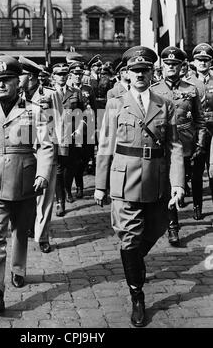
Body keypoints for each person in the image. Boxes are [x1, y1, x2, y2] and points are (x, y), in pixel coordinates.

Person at [94, 46, 185, 327]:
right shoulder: (115, 103)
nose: (141, 74)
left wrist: (178, 183)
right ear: (127, 74)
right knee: (130, 237)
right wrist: (100, 185)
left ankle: (132, 259)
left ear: (152, 72)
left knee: (157, 228)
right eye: (136, 70)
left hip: (156, 178)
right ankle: (137, 294)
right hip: (124, 178)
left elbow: (175, 146)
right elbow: (105, 146)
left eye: (146, 70)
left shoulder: (165, 103)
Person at [0, 55, 54, 313]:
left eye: (7, 80)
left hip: (25, 179)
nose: (1, 85)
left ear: (18, 81)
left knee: (19, 232)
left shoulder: (34, 110)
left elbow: (46, 145)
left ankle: (18, 269)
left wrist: (43, 174)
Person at [151, 46, 206, 239]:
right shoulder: (154, 90)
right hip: (165, 145)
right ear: (162, 66)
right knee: (169, 184)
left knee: (185, 181)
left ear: (181, 66)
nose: (171, 68)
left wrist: (200, 144)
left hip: (187, 144)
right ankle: (173, 226)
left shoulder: (190, 89)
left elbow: (199, 119)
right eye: (167, 64)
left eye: (175, 64)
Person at [18, 55, 63, 253]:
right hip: (22, 151)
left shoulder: (50, 94)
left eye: (22, 75)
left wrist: (60, 150)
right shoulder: (17, 96)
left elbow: (60, 121)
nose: (18, 78)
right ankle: (28, 226)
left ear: (33, 77)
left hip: (44, 150)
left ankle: (42, 235)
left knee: (44, 196)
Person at [52, 63, 84, 216]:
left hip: (71, 136)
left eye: (64, 74)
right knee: (58, 169)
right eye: (59, 74)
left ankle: (66, 189)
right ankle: (60, 202)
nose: (62, 77)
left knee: (70, 167)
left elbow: (84, 115)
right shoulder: (48, 93)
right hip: (55, 136)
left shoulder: (76, 92)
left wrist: (79, 129)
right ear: (53, 77)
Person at [188, 43, 213, 218]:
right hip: (196, 133)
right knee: (196, 173)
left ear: (211, 62)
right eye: (199, 60)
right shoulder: (188, 82)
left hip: (212, 131)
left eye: (206, 60)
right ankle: (197, 206)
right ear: (194, 62)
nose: (203, 63)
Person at [68, 61, 96, 198]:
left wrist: (95, 127)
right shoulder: (67, 89)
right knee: (72, 159)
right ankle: (76, 187)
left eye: (80, 73)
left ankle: (79, 183)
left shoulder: (88, 89)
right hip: (71, 129)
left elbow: (94, 109)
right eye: (75, 73)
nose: (78, 76)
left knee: (84, 158)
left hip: (87, 129)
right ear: (70, 75)